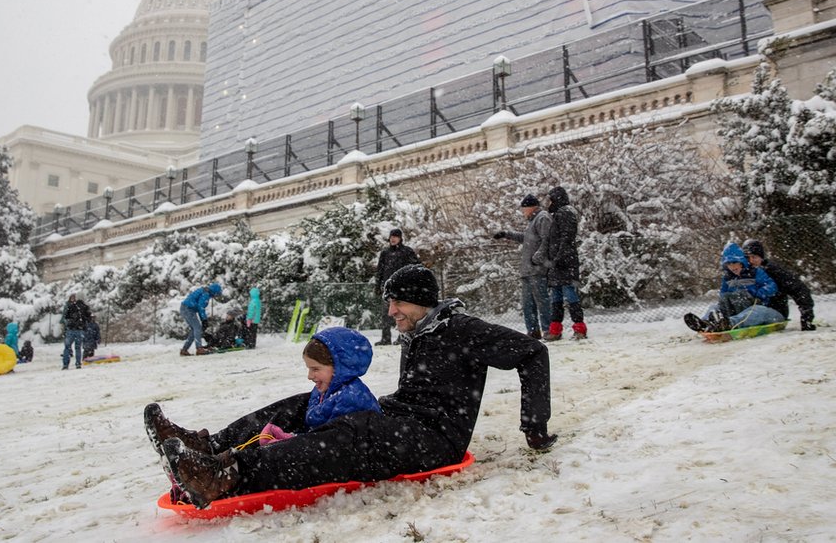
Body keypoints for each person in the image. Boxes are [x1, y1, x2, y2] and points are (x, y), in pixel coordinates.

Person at [144, 263, 556, 510]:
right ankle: (209, 447)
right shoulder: (421, 330)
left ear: (419, 300)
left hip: (435, 437)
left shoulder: (463, 330)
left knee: (348, 437)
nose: (391, 311)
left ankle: (227, 476)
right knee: (309, 402)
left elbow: (532, 352)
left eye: (397, 303)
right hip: (401, 418)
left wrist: (534, 425)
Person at [684, 242, 781, 332]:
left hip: (766, 311)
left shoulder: (755, 272)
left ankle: (730, 324)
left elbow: (772, 286)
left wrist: (758, 293)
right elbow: (723, 295)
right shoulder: (728, 279)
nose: (732, 267)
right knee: (715, 307)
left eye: (735, 262)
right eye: (729, 264)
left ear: (741, 262)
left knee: (757, 311)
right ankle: (705, 324)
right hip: (738, 311)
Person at [493, 193, 552, 340]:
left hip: (537, 269)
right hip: (527, 271)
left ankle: (548, 329)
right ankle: (533, 331)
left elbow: (547, 240)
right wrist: (506, 234)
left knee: (542, 301)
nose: (522, 212)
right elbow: (526, 238)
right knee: (528, 304)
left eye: (523, 209)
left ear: (531, 207)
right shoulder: (532, 221)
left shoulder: (542, 218)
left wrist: (537, 258)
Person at [742, 239, 816, 331]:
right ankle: (724, 322)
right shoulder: (743, 272)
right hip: (749, 311)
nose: (751, 261)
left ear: (761, 257)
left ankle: (732, 322)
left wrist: (806, 317)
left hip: (774, 312)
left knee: (759, 311)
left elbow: (799, 290)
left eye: (754, 257)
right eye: (747, 258)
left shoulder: (773, 271)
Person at [545, 186, 587, 340]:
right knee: (556, 298)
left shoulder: (564, 214)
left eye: (550, 200)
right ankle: (555, 329)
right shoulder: (558, 215)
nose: (548, 203)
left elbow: (566, 238)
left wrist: (559, 258)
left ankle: (579, 328)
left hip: (564, 263)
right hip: (558, 263)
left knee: (569, 296)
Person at [373, 228, 420, 345]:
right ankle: (385, 338)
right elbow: (380, 270)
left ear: (400, 238)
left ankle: (402, 337)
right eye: (391, 236)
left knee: (401, 313)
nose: (393, 239)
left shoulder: (407, 251)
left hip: (402, 288)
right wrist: (377, 285)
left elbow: (416, 267)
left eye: (395, 236)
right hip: (387, 287)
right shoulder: (385, 253)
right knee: (386, 314)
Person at [180, 282, 222, 356]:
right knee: (197, 328)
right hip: (188, 309)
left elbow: (199, 307)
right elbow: (201, 307)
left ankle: (184, 350)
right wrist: (204, 320)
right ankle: (199, 348)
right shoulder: (206, 294)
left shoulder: (205, 291)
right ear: (214, 292)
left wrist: (203, 319)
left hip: (185, 308)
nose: (216, 296)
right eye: (217, 294)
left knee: (194, 329)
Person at [61, 293, 92, 370]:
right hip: (80, 330)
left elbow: (65, 317)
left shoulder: (71, 306)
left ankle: (65, 364)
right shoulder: (85, 307)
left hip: (71, 329)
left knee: (67, 347)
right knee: (78, 348)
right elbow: (89, 318)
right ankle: (78, 364)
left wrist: (68, 324)